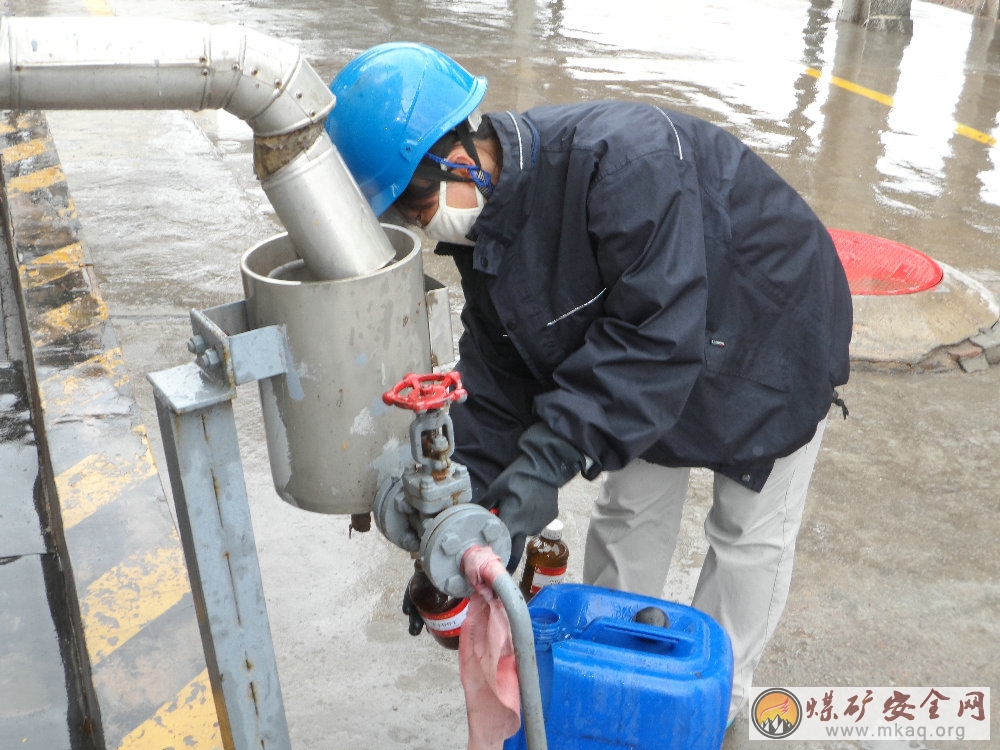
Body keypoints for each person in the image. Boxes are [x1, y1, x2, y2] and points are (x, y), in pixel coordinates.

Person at [325, 42, 853, 724]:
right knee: (631, 511)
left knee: (746, 534)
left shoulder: (622, 164)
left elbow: (652, 344)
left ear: (455, 156)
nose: (418, 225)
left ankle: (718, 701)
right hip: (660, 344)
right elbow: (498, 381)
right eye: (398, 214)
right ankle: (613, 673)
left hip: (770, 329)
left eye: (414, 204)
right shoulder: (486, 236)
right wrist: (461, 526)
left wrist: (543, 467)